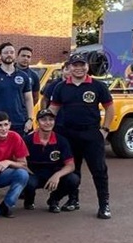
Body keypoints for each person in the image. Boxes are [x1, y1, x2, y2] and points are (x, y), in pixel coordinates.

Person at [49, 52, 115, 219]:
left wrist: (105, 130)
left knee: (99, 170)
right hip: (68, 134)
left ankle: (104, 205)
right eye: (75, 65)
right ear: (69, 67)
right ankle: (73, 200)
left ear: (87, 66)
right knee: (73, 170)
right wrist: (47, 129)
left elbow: (110, 108)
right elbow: (52, 111)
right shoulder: (61, 87)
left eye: (82, 65)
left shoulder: (98, 86)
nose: (79, 68)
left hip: (91, 134)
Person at [22, 109, 79, 213]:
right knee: (25, 180)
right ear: (37, 122)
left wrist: (57, 175)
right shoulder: (27, 140)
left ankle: (54, 200)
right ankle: (29, 200)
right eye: (43, 120)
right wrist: (26, 170)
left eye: (51, 119)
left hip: (53, 174)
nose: (48, 122)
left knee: (73, 179)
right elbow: (18, 160)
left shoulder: (61, 140)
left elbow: (70, 165)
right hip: (34, 174)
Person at [0, 42, 34, 135]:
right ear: (0, 56)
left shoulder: (23, 75)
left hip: (19, 121)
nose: (9, 54)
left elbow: (29, 98)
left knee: (18, 149)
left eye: (11, 52)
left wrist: (30, 119)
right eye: (6, 53)